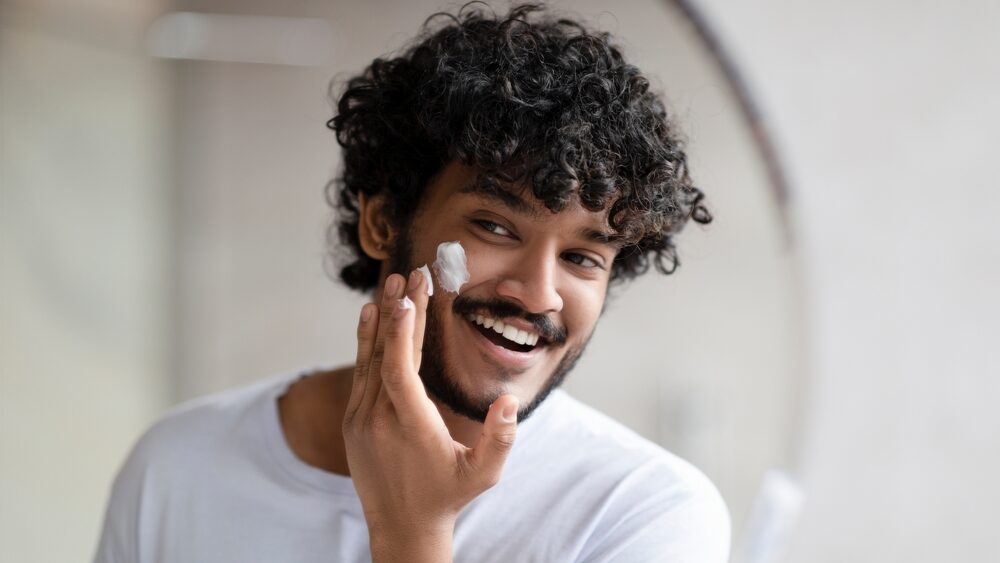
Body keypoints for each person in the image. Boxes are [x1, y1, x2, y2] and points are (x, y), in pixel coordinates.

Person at [94, 3, 730, 561]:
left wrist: (413, 532)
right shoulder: (178, 466)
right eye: (495, 227)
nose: (538, 295)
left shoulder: (645, 514)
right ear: (382, 222)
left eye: (583, 258)